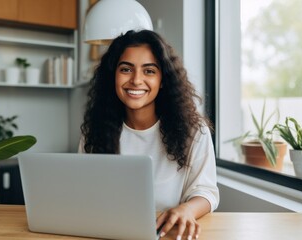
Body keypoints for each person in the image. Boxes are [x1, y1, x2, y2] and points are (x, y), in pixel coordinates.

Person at [78, 30, 219, 240]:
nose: (136, 80)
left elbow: (206, 191)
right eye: (126, 69)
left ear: (162, 80)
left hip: (167, 235)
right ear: (113, 76)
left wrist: (187, 210)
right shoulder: (95, 130)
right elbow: (82, 191)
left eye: (149, 71)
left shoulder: (194, 132)